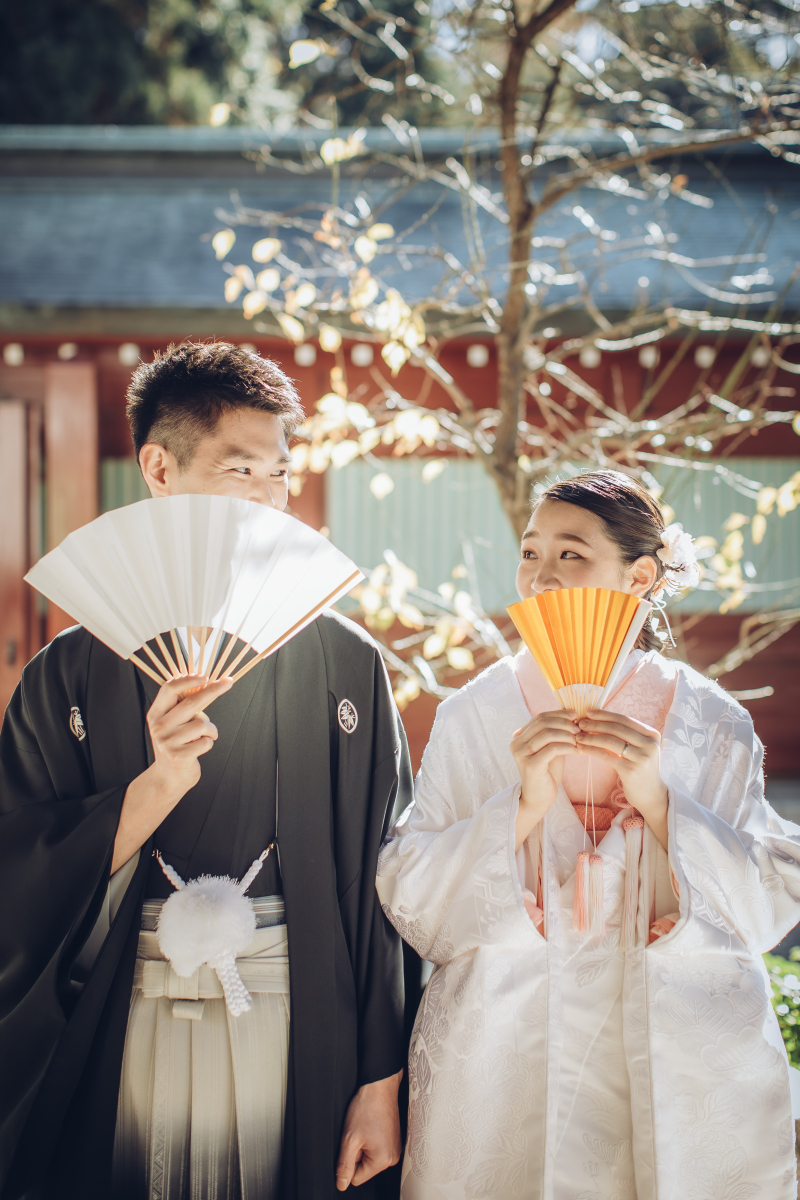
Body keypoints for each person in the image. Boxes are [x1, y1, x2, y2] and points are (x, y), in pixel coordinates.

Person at [0, 342, 411, 1200]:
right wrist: (155, 785)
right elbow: (19, 869)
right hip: (125, 1007)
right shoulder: (66, 674)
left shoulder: (344, 663)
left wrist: (382, 1079)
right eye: (242, 469)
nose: (269, 496)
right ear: (159, 467)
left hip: (298, 1013)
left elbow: (387, 881)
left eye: (280, 473)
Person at [376, 469, 800, 1200]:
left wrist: (665, 807)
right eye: (531, 553)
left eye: (570, 555)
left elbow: (769, 903)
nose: (540, 576)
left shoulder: (711, 719)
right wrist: (522, 806)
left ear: (639, 576)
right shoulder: (476, 713)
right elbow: (409, 888)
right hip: (510, 1046)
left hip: (680, 1049)